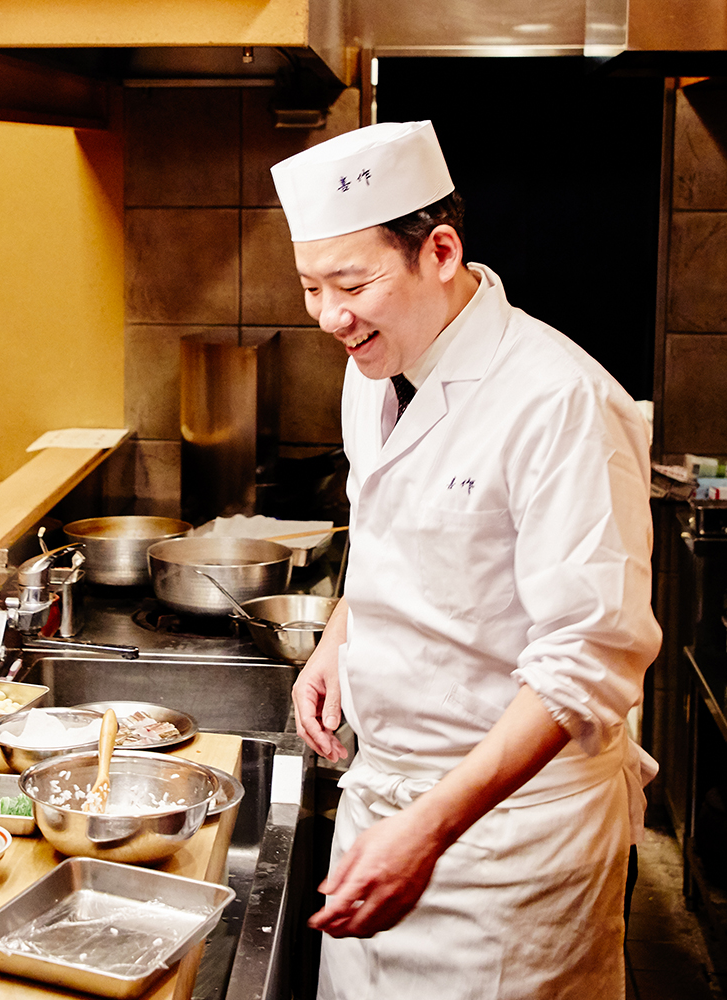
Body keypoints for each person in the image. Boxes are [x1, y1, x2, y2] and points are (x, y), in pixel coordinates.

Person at [274, 121, 660, 998]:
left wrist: (432, 828)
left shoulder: (560, 401)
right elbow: (391, 529)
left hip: (510, 846)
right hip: (384, 804)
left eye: (352, 284)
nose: (330, 316)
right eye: (310, 287)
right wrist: (340, 636)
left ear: (440, 252)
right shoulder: (371, 366)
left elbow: (588, 660)